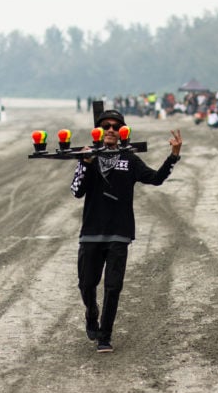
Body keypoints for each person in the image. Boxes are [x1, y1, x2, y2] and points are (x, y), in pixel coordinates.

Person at [71, 110, 182, 353]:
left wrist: (173, 156)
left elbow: (155, 179)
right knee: (86, 284)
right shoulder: (88, 157)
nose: (110, 130)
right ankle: (91, 313)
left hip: (119, 233)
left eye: (116, 126)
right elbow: (76, 191)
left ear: (123, 132)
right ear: (98, 131)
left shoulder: (129, 159)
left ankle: (105, 335)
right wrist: (85, 163)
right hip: (91, 232)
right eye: (106, 126)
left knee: (113, 286)